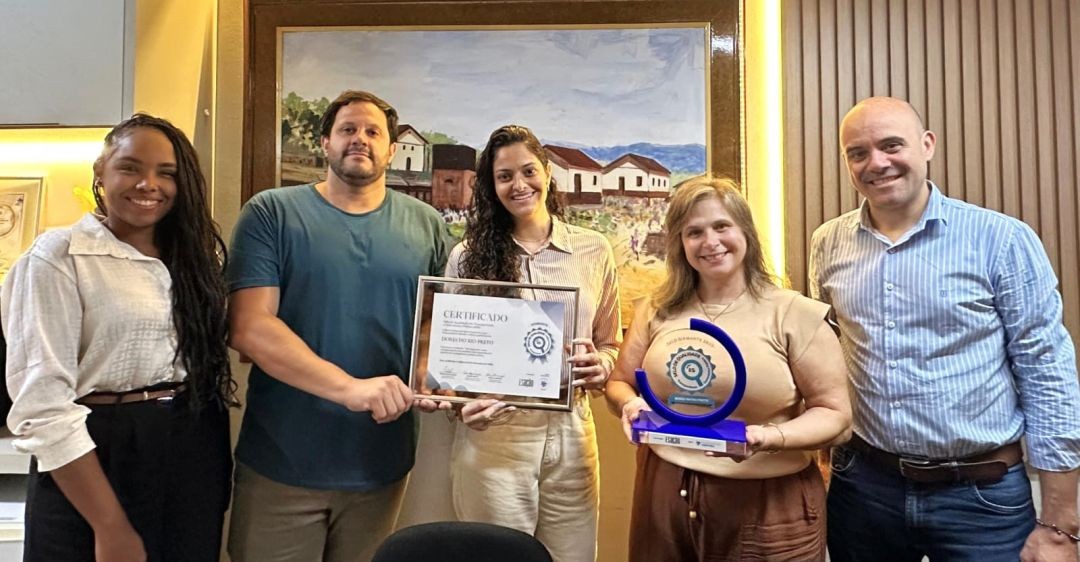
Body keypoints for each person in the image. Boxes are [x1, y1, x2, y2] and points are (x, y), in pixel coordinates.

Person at [810, 96, 1080, 562]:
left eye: (892, 145)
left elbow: (1047, 372)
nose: (877, 163)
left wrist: (1060, 524)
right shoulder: (828, 243)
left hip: (982, 497)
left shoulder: (1002, 240)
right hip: (864, 491)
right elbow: (828, 358)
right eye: (858, 152)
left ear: (927, 144)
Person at [226, 90, 450, 561]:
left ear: (392, 150)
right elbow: (250, 327)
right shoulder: (271, 213)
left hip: (381, 465)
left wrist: (448, 381)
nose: (360, 139)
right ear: (325, 143)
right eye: (348, 129)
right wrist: (351, 388)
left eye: (373, 132)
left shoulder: (428, 225)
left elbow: (439, 329)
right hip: (283, 464)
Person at [1, 113, 234, 561]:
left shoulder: (191, 260)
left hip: (192, 441)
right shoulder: (59, 256)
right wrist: (110, 526)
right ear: (100, 173)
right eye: (130, 167)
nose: (149, 184)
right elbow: (42, 405)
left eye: (166, 173)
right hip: (97, 451)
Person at [606, 176, 851, 561]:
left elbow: (836, 417)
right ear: (680, 243)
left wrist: (767, 437)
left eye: (722, 226)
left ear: (746, 233)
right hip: (664, 491)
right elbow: (620, 383)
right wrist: (629, 405)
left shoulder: (795, 314)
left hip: (767, 502)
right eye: (694, 232)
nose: (710, 242)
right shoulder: (657, 309)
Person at [443, 124, 621, 562]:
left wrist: (602, 365)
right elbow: (449, 365)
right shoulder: (467, 257)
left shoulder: (594, 250)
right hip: (493, 438)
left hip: (573, 435)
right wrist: (461, 404)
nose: (519, 185)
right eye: (504, 176)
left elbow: (610, 343)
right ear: (491, 186)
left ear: (547, 172)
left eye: (528, 171)